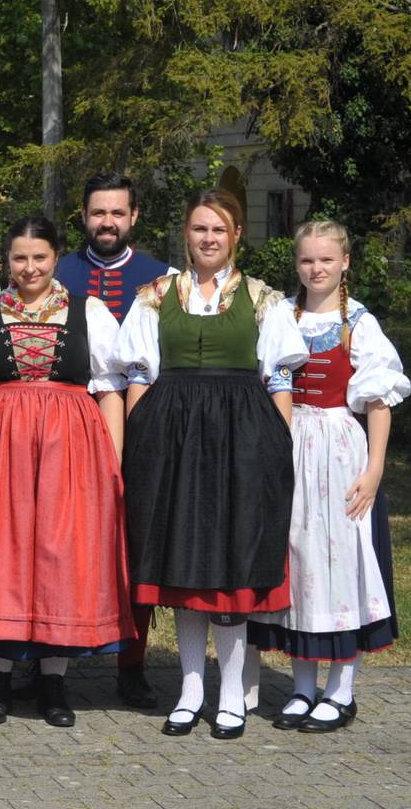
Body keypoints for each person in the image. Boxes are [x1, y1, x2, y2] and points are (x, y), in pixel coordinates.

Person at [0, 216, 128, 728]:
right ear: (5, 261)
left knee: (60, 556)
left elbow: (109, 388)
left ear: (56, 256)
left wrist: (112, 464)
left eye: (39, 257)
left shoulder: (90, 312)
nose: (29, 267)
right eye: (19, 258)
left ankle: (54, 683)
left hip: (70, 450)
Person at [117, 187, 303, 740]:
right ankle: (190, 687)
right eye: (200, 229)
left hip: (241, 436)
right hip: (170, 436)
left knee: (231, 559)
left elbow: (280, 379)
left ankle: (230, 693)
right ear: (187, 234)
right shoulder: (154, 295)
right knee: (181, 558)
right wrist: (141, 439)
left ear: (237, 234)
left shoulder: (264, 298)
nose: (208, 239)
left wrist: (277, 445)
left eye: (219, 230)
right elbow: (138, 375)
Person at [246, 221, 409, 734]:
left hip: (340, 450)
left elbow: (379, 401)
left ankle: (341, 690)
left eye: (325, 260)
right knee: (298, 558)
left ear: (345, 263)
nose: (316, 269)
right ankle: (300, 686)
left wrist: (374, 469)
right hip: (290, 446)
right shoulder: (281, 316)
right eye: (306, 261)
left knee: (343, 563)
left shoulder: (358, 322)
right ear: (296, 265)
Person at [53, 171, 173, 708]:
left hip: (146, 421)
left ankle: (132, 665)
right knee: (58, 545)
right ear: (83, 216)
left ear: (134, 217)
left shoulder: (164, 279)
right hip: (68, 426)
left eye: (117, 213)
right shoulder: (55, 273)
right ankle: (45, 660)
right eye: (98, 212)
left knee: (135, 545)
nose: (107, 222)